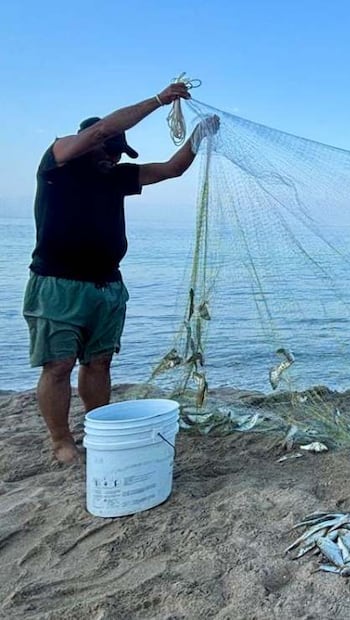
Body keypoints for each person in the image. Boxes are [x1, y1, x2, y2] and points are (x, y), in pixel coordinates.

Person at [23, 82, 220, 464]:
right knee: (58, 365)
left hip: (109, 286)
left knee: (99, 363)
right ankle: (61, 440)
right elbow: (98, 131)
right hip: (58, 284)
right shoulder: (57, 163)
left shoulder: (115, 177)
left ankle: (97, 428)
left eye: (119, 153)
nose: (113, 157)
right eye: (109, 148)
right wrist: (160, 100)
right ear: (90, 143)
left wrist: (199, 135)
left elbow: (171, 169)